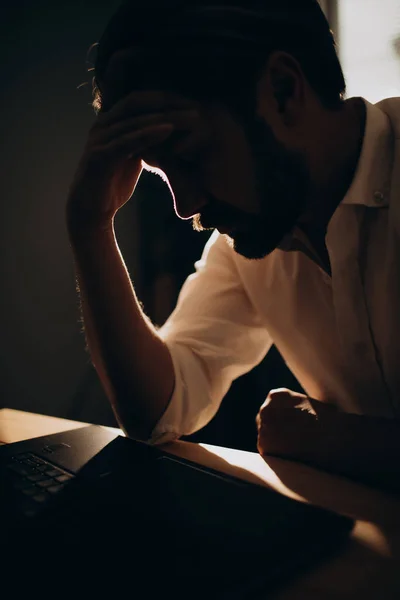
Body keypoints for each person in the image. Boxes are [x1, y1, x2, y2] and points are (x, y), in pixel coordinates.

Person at [66, 0, 400, 494]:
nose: (185, 206)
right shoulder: (251, 240)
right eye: (163, 173)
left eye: (193, 156)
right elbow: (159, 412)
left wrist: (335, 440)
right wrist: (91, 226)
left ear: (284, 92)